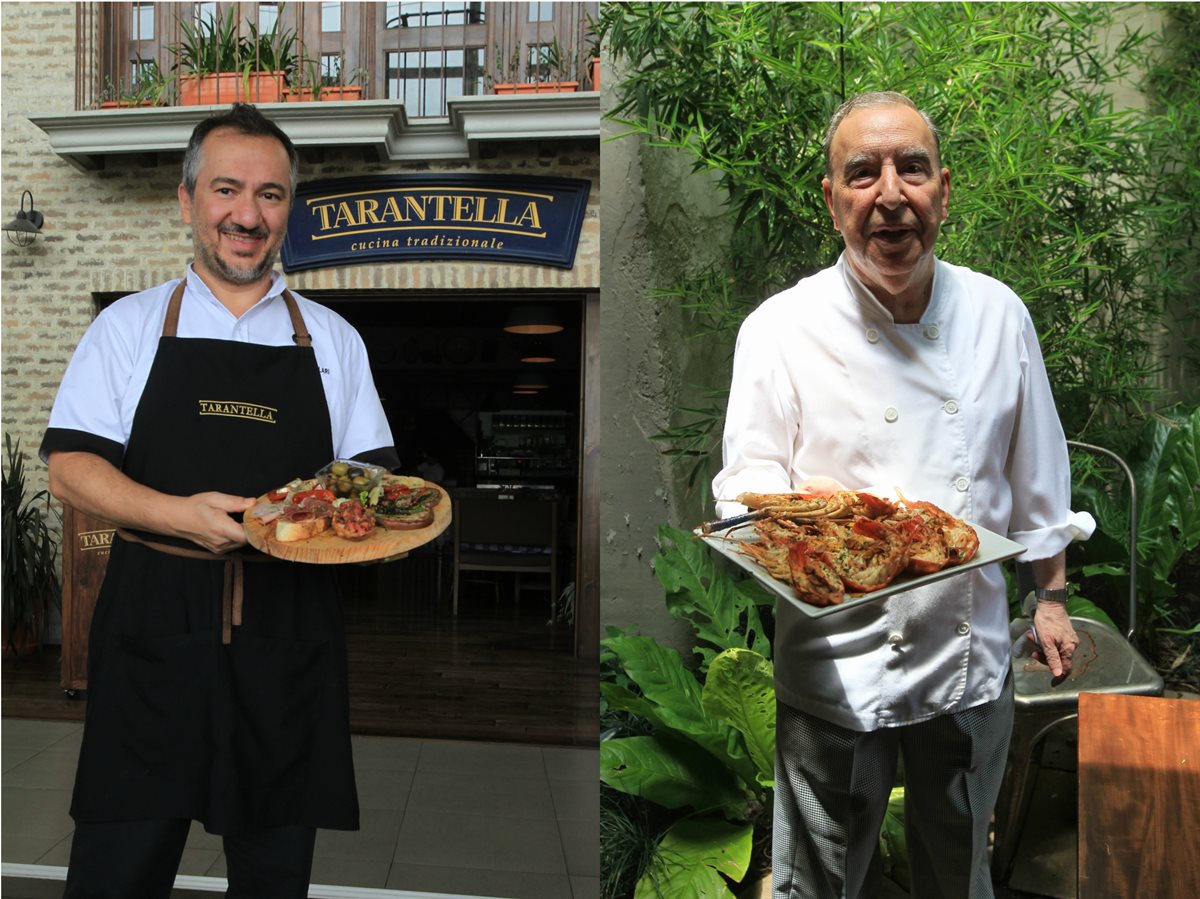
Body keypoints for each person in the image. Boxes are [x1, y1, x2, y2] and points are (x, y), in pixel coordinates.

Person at [711, 91, 1095, 898]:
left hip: (967, 654)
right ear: (832, 198)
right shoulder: (779, 329)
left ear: (943, 190)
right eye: (863, 172)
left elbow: (1038, 475)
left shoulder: (998, 314)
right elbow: (745, 487)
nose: (890, 193)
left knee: (956, 873)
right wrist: (811, 512)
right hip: (836, 666)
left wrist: (1051, 599)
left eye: (910, 168)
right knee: (817, 880)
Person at [40, 103, 399, 898]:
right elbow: (69, 470)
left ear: (287, 211)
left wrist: (329, 521)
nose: (247, 214)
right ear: (188, 199)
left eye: (270, 195)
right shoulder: (128, 328)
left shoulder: (332, 339)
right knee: (116, 869)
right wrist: (179, 515)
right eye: (227, 190)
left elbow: (371, 483)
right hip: (152, 627)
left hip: (286, 631)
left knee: (273, 876)